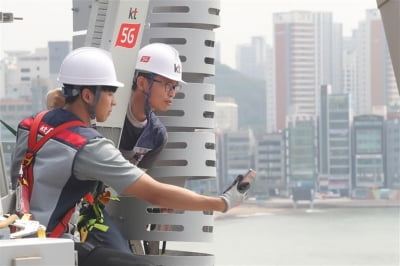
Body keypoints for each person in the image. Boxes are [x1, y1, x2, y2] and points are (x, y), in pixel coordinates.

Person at [11, 47, 255, 266]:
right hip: (54, 242)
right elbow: (155, 192)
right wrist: (220, 203)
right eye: (109, 93)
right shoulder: (89, 145)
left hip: (16, 236)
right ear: (87, 96)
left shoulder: (31, 124)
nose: (115, 102)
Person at [46, 42, 186, 254]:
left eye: (176, 86)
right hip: (71, 202)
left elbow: (136, 181)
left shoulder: (156, 136)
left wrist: (160, 200)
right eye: (168, 85)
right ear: (142, 82)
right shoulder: (104, 110)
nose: (173, 93)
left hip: (102, 206)